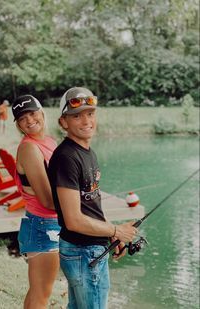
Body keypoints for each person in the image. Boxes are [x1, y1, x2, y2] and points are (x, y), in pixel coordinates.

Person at [48, 87, 138, 309]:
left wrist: (110, 237)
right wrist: (116, 231)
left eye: (90, 114)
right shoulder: (67, 157)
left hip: (90, 248)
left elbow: (91, 207)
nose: (86, 120)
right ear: (63, 123)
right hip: (83, 252)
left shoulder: (87, 152)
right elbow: (74, 220)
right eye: (77, 115)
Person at [11, 94, 60, 309]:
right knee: (41, 296)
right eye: (22, 118)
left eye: (32, 113)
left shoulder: (49, 141)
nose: (29, 120)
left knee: (37, 292)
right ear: (19, 125)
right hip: (43, 225)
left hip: (49, 224)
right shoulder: (29, 148)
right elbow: (48, 200)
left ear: (42, 112)